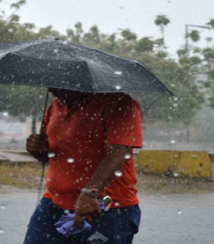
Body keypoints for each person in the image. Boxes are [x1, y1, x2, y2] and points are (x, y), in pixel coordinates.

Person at [23, 88, 143, 244]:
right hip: (53, 204)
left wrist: (90, 193)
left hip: (106, 207)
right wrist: (38, 150)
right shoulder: (55, 106)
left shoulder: (120, 104)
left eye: (58, 81)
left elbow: (118, 154)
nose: (50, 88)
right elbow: (54, 154)